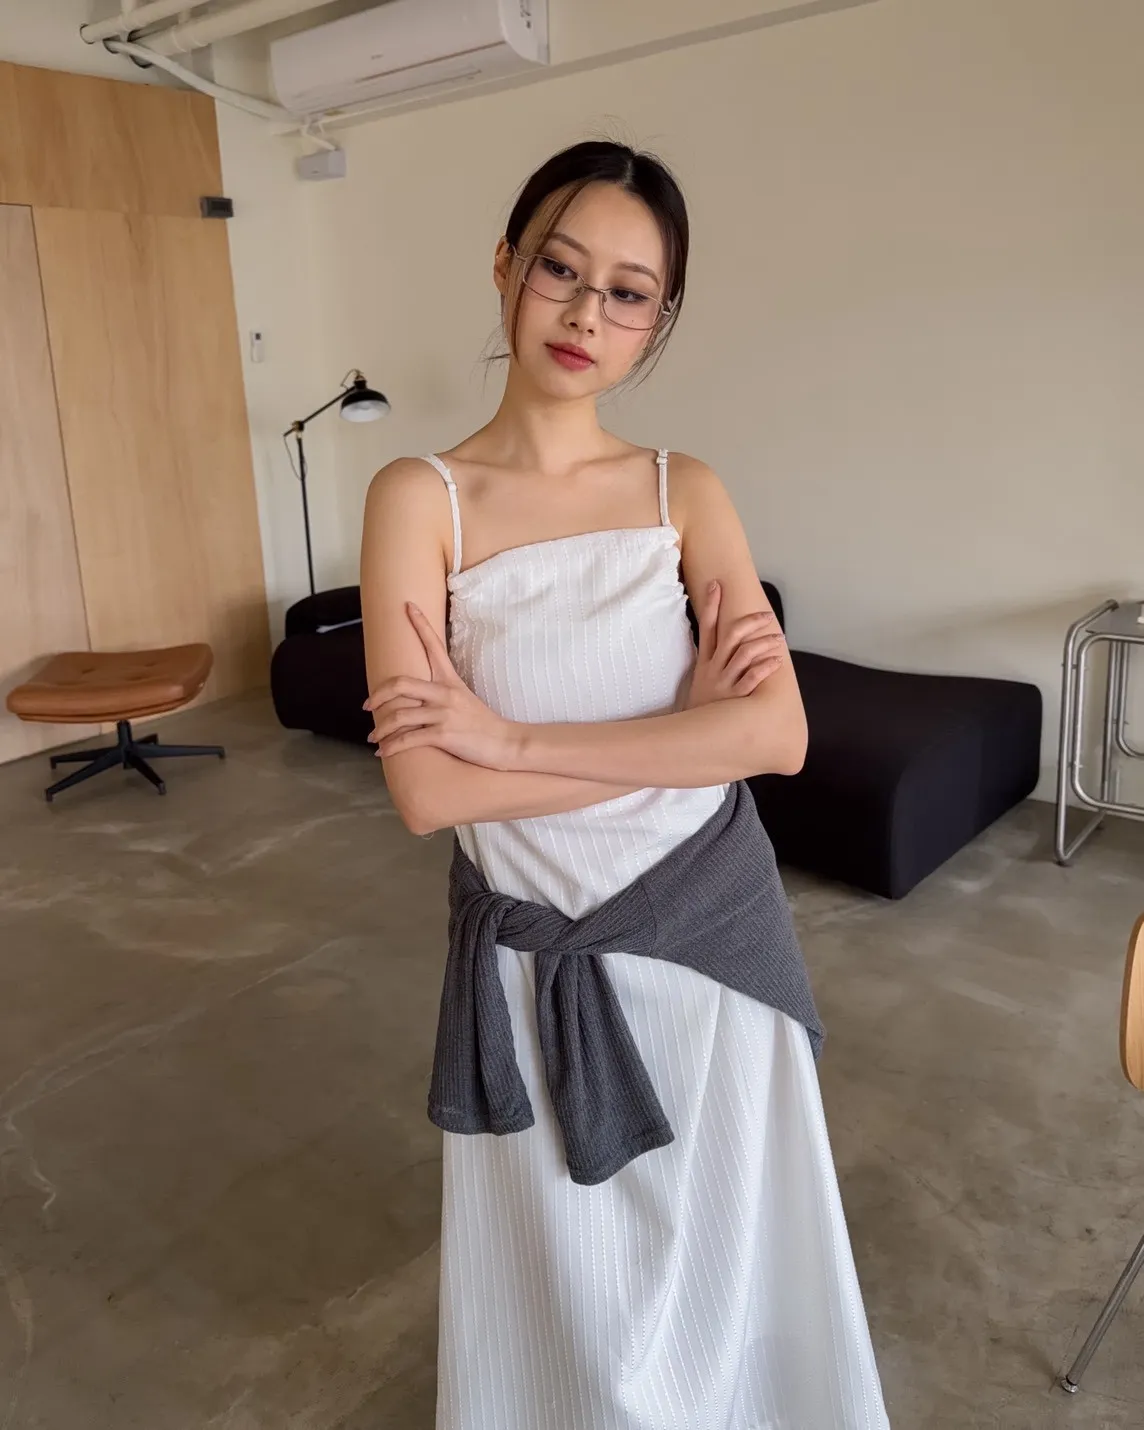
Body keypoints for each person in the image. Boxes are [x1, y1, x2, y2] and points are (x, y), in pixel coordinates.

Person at [360, 140, 889, 1430]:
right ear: (506, 267)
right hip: (538, 966)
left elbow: (776, 738)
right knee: (572, 1301)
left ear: (659, 319)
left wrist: (510, 742)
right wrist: (679, 734)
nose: (586, 313)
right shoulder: (420, 500)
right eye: (560, 268)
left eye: (629, 292)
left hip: (710, 948)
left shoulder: (680, 491)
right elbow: (428, 794)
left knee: (737, 1268)